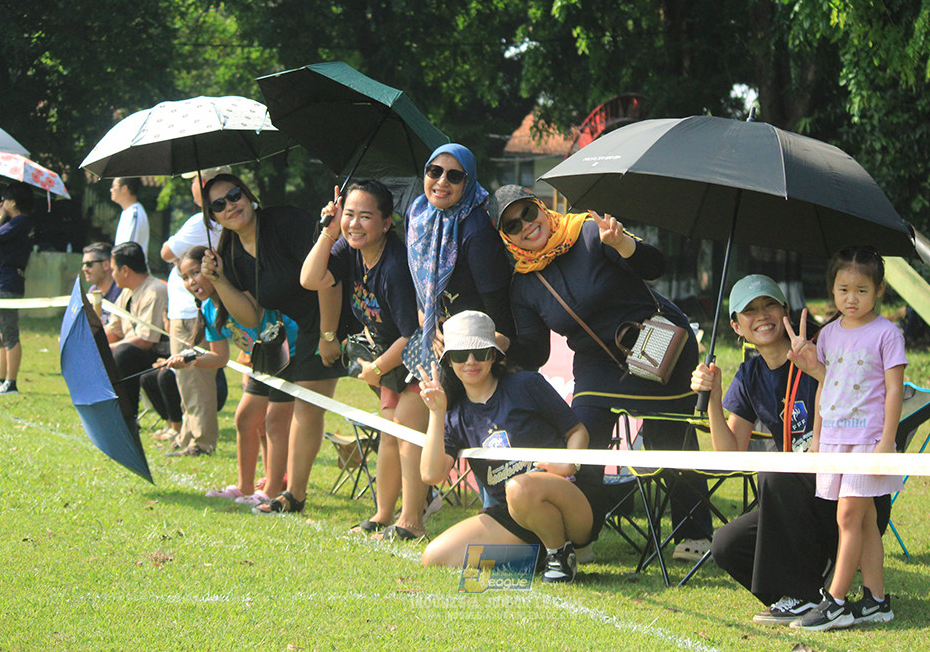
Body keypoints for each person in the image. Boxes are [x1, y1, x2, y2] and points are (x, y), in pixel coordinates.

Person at [491, 184, 711, 562]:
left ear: (542, 208)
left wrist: (624, 245)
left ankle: (693, 533)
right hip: (596, 362)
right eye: (512, 226)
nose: (526, 226)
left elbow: (655, 266)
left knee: (669, 438)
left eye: (528, 213)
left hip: (656, 342)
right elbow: (537, 352)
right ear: (506, 238)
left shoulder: (590, 232)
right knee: (583, 440)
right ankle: (583, 533)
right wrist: (505, 344)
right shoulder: (524, 283)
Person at [690, 273, 891, 626]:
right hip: (794, 501)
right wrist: (714, 399)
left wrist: (818, 369)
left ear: (786, 310)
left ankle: (801, 594)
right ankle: (805, 593)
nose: (762, 315)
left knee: (776, 470)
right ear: (737, 326)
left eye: (769, 304)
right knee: (725, 544)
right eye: (749, 311)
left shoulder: (825, 350)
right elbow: (729, 457)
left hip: (850, 493)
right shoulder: (749, 374)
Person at [419, 311, 609, 583]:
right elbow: (431, 474)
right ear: (449, 361)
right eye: (461, 355)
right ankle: (542, 554)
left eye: (480, 352)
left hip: (569, 498)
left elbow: (577, 430)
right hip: (510, 514)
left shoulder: (526, 384)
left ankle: (561, 556)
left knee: (519, 487)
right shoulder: (455, 415)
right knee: (435, 557)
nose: (471, 361)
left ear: (494, 355)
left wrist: (571, 463)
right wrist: (436, 413)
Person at [200, 173, 347, 514]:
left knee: (302, 413)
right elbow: (251, 316)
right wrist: (218, 280)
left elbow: (327, 273)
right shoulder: (231, 252)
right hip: (299, 329)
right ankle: (290, 495)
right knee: (292, 414)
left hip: (334, 313)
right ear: (214, 217)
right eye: (218, 205)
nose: (229, 206)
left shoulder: (285, 221)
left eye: (234, 195)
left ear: (248, 194)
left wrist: (328, 335)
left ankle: (288, 494)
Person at [301, 179, 429, 540]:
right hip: (391, 357)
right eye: (350, 215)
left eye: (366, 216)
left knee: (404, 432)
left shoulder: (395, 267)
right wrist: (328, 232)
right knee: (389, 434)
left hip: (419, 357)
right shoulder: (349, 250)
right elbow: (310, 279)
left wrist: (376, 368)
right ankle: (383, 515)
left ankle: (412, 522)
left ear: (387, 222)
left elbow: (412, 334)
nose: (354, 224)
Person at [791, 247, 905, 631]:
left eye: (861, 290)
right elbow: (827, 385)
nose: (851, 298)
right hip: (835, 439)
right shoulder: (828, 334)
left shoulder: (888, 334)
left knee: (849, 516)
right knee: (867, 518)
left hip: (869, 441)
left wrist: (887, 441)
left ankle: (835, 600)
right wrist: (819, 437)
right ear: (832, 290)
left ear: (879, 290)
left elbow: (893, 390)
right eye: (843, 289)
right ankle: (876, 600)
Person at [161, 246, 296, 503]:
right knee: (245, 419)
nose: (191, 282)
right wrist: (188, 362)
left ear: (211, 268)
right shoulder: (209, 310)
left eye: (195, 273)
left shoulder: (237, 293)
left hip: (288, 354)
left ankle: (270, 492)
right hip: (263, 360)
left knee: (273, 424)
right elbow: (220, 358)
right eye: (185, 277)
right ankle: (245, 488)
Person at [405, 143, 514, 364]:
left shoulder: (477, 229)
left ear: (468, 182)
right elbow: (420, 275)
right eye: (434, 171)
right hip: (441, 338)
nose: (442, 181)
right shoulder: (417, 214)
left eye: (454, 176)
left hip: (477, 347)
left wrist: (497, 356)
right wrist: (423, 314)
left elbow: (497, 303)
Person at [154, 168, 224, 450]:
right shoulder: (206, 220)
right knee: (186, 378)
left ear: (204, 183)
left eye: (194, 181)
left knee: (196, 378)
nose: (192, 186)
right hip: (185, 309)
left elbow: (166, 253)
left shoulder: (201, 221)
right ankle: (187, 434)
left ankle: (201, 440)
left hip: (190, 310)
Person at [104, 241, 169, 429]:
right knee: (114, 351)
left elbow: (146, 341)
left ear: (125, 270)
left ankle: (128, 416)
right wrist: (92, 345)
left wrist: (106, 349)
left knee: (124, 353)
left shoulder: (155, 291)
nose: (112, 274)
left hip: (161, 356)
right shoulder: (126, 293)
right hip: (134, 352)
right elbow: (114, 330)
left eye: (114, 269)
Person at [0, 182, 35, 395]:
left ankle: (11, 382)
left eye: (4, 199)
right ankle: (1, 378)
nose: (2, 203)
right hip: (5, 281)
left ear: (13, 201)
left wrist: (1, 216)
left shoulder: (20, 222)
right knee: (1, 333)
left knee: (9, 332)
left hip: (7, 282)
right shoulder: (19, 223)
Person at [82, 242, 122, 325]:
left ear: (106, 265)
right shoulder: (93, 291)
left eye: (89, 264)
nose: (84, 268)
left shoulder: (121, 292)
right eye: (84, 264)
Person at [111, 177, 149, 253]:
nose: (111, 190)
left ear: (124, 189)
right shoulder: (127, 212)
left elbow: (128, 251)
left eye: (114, 186)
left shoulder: (134, 214)